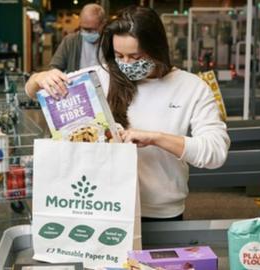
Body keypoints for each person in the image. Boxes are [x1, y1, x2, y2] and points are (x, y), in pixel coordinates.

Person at [26, 6, 230, 221]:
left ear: (157, 48)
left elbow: (215, 153)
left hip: (160, 213)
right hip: (102, 207)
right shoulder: (100, 77)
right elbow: (33, 90)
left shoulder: (191, 87)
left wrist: (155, 138)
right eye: (119, 55)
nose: (126, 64)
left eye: (135, 56)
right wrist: (40, 78)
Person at [50, 3, 106, 72]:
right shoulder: (70, 41)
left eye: (92, 29)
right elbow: (55, 67)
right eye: (84, 29)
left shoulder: (111, 42)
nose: (87, 33)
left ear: (103, 24)